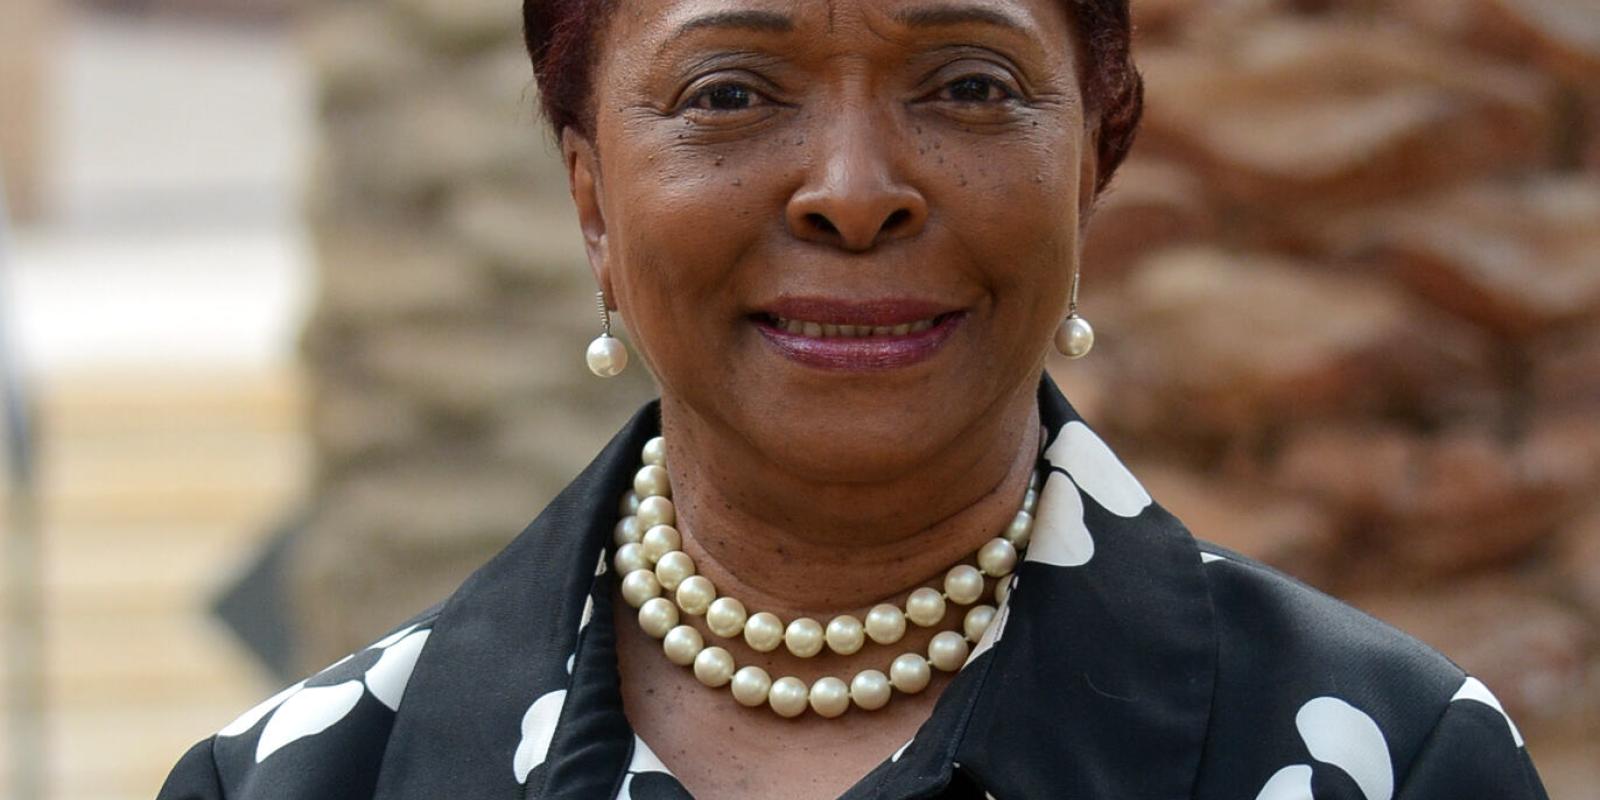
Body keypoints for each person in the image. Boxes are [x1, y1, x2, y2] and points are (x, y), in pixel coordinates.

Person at [157, 1, 1550, 798]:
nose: (854, 191)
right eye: (729, 94)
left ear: (1092, 164)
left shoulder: (1392, 762)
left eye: (969, 84)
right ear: (591, 201)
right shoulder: (304, 783)